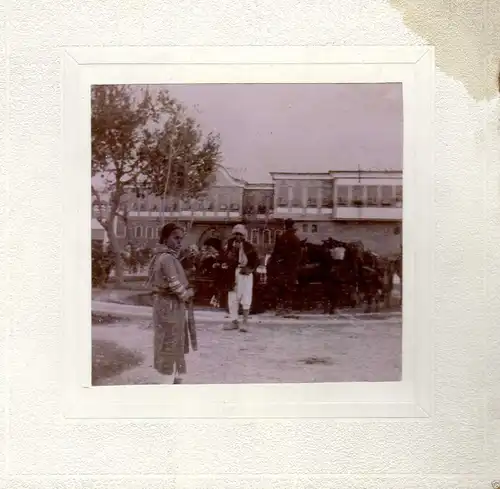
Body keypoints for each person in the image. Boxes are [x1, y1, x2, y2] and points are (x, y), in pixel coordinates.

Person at [145, 223, 196, 385]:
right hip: (170, 306)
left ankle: (175, 379)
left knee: (171, 341)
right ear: (165, 238)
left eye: (181, 239)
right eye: (175, 238)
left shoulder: (162, 256)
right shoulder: (167, 258)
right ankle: (169, 383)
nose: (179, 242)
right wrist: (188, 294)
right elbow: (175, 285)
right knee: (170, 342)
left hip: (165, 305)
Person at [219, 224, 258, 332]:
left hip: (245, 274)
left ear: (244, 235)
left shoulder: (249, 246)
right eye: (236, 234)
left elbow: (255, 261)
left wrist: (250, 269)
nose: (238, 237)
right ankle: (234, 321)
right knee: (232, 298)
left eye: (240, 234)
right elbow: (224, 257)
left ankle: (245, 321)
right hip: (232, 274)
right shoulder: (229, 245)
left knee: (246, 297)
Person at [268, 218, 302, 316]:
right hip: (290, 268)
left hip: (280, 268)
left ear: (285, 226)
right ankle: (288, 309)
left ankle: (279, 308)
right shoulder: (295, 238)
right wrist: (295, 264)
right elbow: (299, 254)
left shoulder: (281, 237)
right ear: (293, 226)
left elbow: (275, 253)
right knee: (289, 288)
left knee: (280, 288)